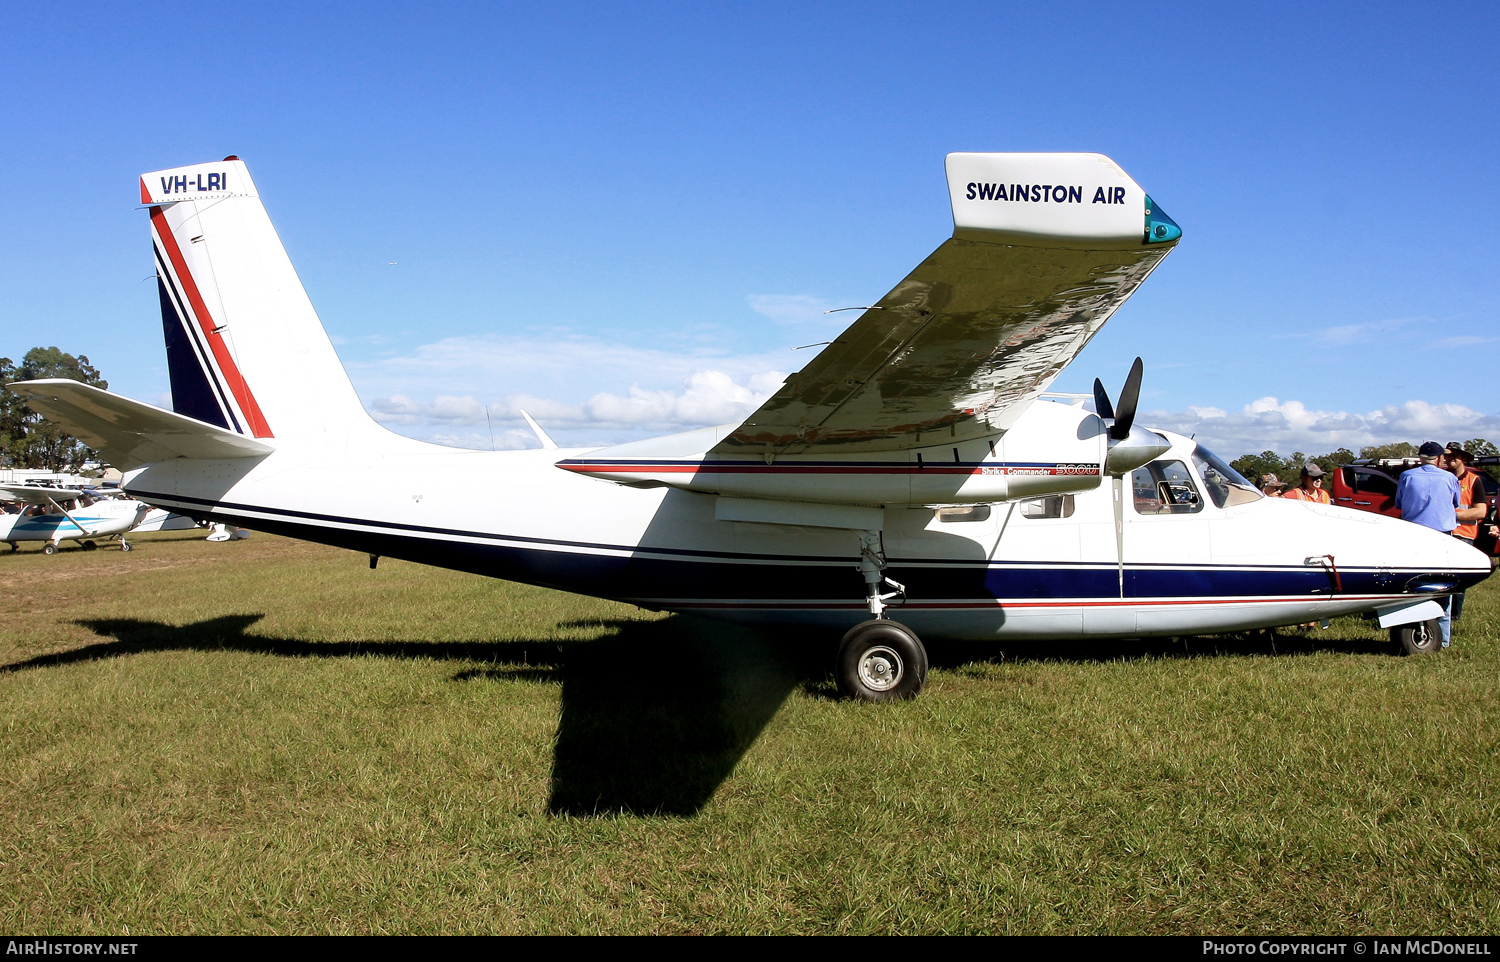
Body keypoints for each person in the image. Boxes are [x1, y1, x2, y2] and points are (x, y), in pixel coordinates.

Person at [1395, 441, 1462, 646]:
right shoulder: (1450, 478)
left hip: (1414, 534)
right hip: (1442, 536)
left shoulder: (1407, 477)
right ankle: (1443, 637)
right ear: (1440, 458)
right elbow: (1456, 502)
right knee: (1444, 584)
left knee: (1414, 582)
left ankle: (1412, 624)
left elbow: (1399, 503)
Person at [1442, 443, 1489, 625]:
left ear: (1463, 458)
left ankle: (1454, 616)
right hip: (1444, 533)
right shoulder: (1443, 479)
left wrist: (1452, 514)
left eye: (1454, 456)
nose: (1449, 459)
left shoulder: (1473, 480)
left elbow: (1480, 512)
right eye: (1447, 456)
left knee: (1458, 578)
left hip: (1464, 534)